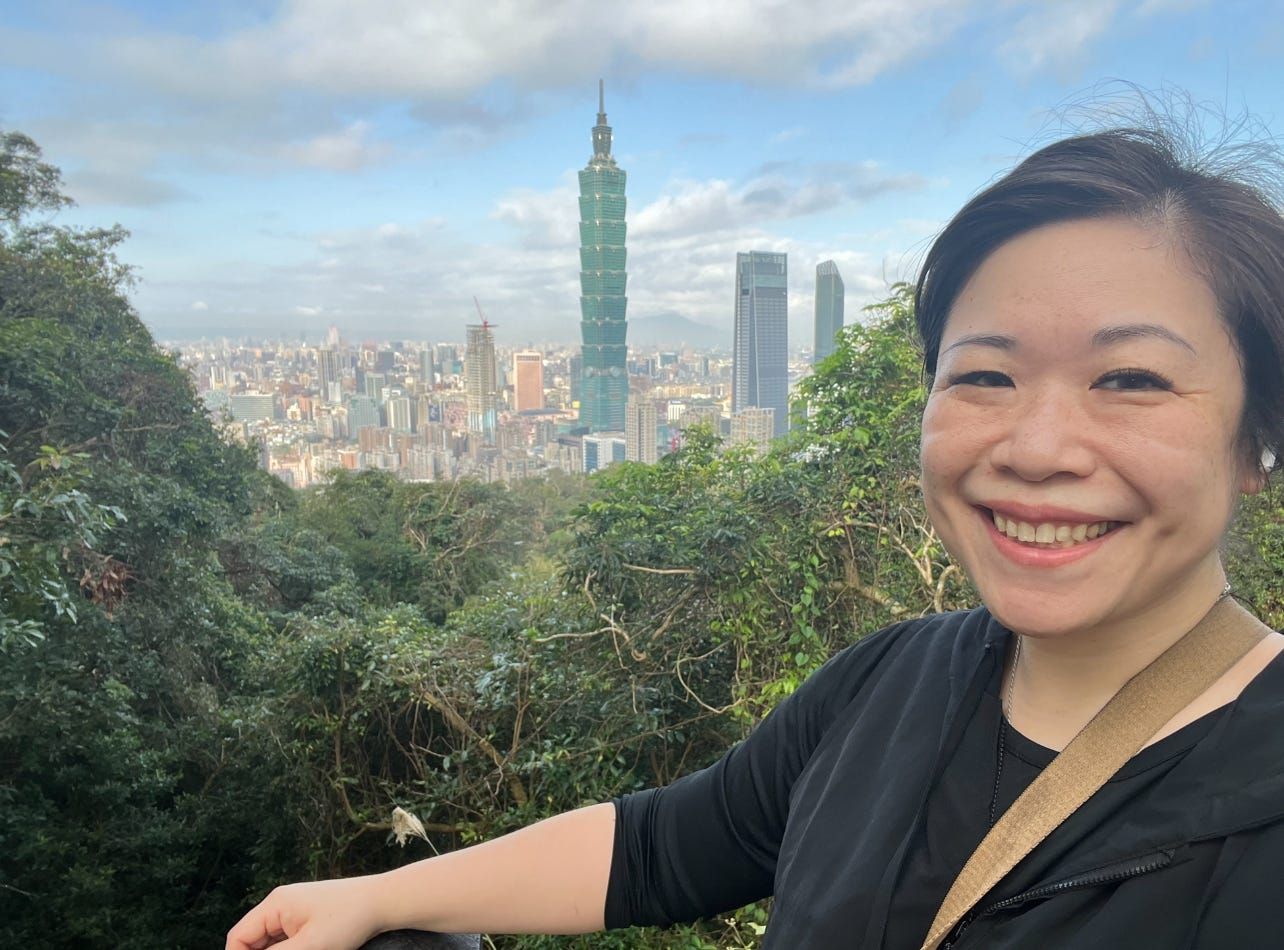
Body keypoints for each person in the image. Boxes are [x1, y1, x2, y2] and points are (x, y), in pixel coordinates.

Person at [227, 124, 1284, 950]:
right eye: (985, 375)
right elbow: (664, 845)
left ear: (1255, 439)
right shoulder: (891, 681)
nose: (1041, 444)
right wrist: (379, 893)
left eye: (1131, 378)